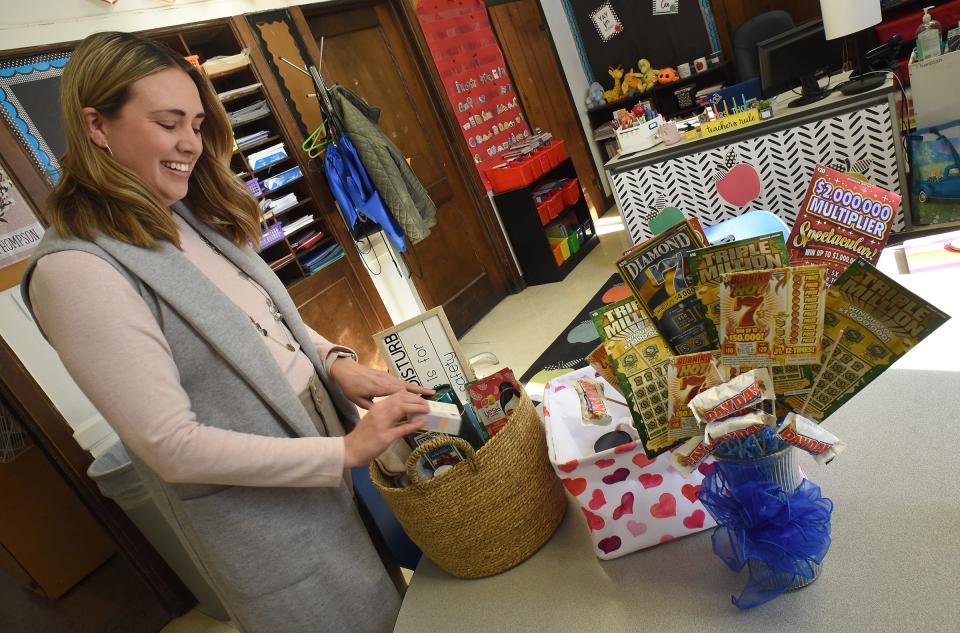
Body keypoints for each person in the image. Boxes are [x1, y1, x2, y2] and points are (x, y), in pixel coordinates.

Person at [21, 31, 433, 633]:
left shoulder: (186, 214)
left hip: (325, 463)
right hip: (267, 518)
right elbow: (170, 445)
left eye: (195, 123)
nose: (189, 143)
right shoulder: (78, 271)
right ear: (96, 126)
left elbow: (266, 325)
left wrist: (336, 362)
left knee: (392, 610)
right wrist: (342, 451)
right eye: (168, 123)